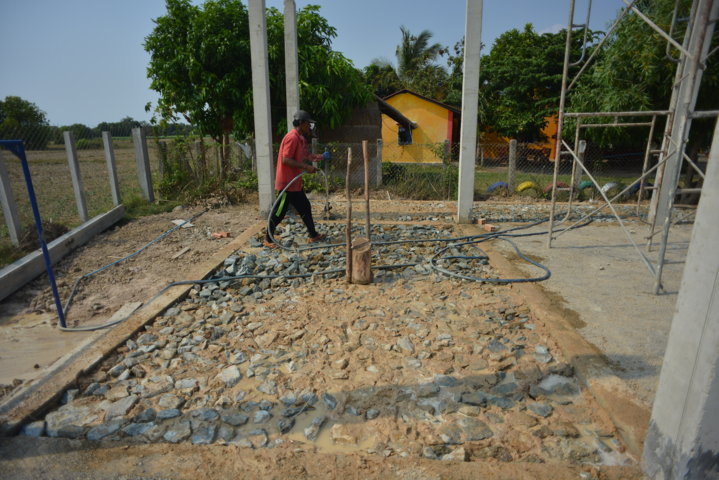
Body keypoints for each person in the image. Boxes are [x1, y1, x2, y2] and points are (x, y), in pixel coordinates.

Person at [263, 110, 327, 249]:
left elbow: (305, 155)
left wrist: (320, 157)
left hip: (295, 183)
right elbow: (286, 160)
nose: (309, 127)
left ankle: (313, 235)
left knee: (305, 207)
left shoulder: (300, 138)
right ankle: (268, 239)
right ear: (302, 123)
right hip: (287, 183)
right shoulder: (292, 137)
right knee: (279, 212)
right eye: (308, 124)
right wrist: (306, 167)